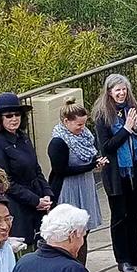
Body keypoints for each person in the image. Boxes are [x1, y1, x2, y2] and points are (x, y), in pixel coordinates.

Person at [94, 74, 137, 272]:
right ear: (109, 92)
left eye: (124, 89)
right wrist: (126, 130)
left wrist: (135, 128)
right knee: (119, 217)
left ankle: (135, 253)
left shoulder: (132, 109)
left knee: (134, 215)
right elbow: (107, 147)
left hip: (134, 170)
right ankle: (123, 259)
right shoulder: (103, 116)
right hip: (116, 173)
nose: (121, 93)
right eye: (117, 90)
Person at [0, 93, 54, 243]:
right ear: (0, 119)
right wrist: (35, 200)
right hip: (18, 206)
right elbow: (4, 182)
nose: (14, 119)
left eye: (17, 114)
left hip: (37, 201)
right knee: (25, 245)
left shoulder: (24, 137)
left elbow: (36, 168)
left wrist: (47, 193)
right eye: (9, 116)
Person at [47, 104, 106, 263]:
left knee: (83, 233)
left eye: (84, 123)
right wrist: (90, 166)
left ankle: (81, 270)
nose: (82, 127)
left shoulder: (85, 136)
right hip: (68, 189)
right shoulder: (58, 142)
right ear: (66, 121)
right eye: (79, 124)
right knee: (69, 233)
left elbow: (90, 158)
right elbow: (60, 170)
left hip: (85, 186)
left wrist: (96, 162)